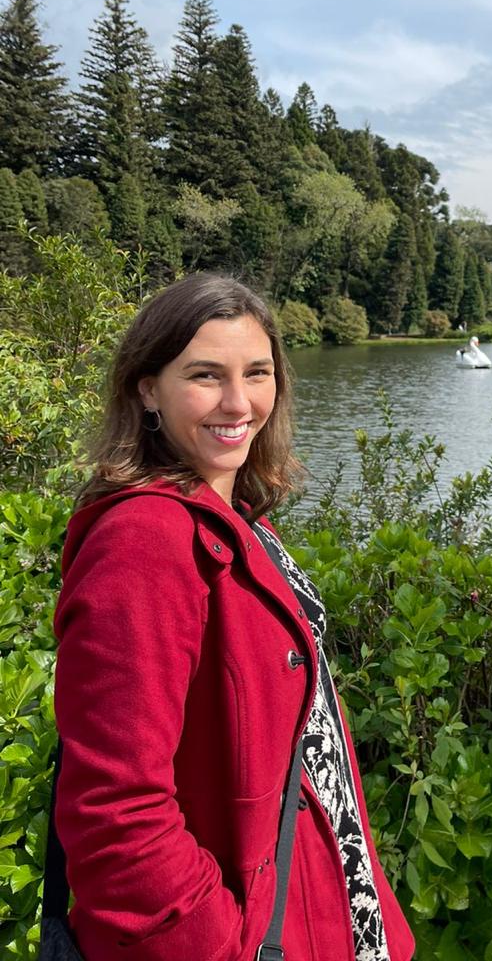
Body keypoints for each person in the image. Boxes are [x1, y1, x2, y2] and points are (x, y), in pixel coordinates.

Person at [52, 274, 415, 961]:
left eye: (257, 373)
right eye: (205, 375)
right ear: (147, 389)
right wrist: (221, 946)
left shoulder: (237, 517)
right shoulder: (144, 543)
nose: (238, 402)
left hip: (322, 912)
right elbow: (117, 817)